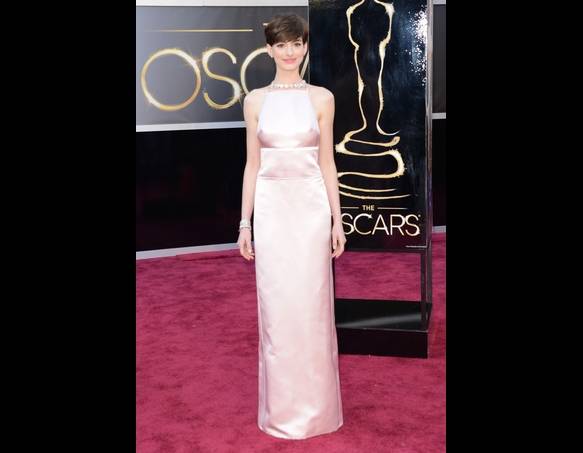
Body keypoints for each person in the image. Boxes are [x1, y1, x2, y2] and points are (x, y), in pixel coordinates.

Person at [237, 13, 346, 440]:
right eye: (281, 44)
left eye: (296, 43)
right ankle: (281, 410)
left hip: (310, 213)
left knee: (313, 309)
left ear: (305, 47)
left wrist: (337, 219)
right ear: (269, 49)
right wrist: (244, 224)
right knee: (277, 311)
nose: (289, 52)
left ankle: (318, 410)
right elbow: (252, 165)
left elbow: (327, 163)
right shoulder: (255, 101)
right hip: (271, 213)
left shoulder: (322, 98)